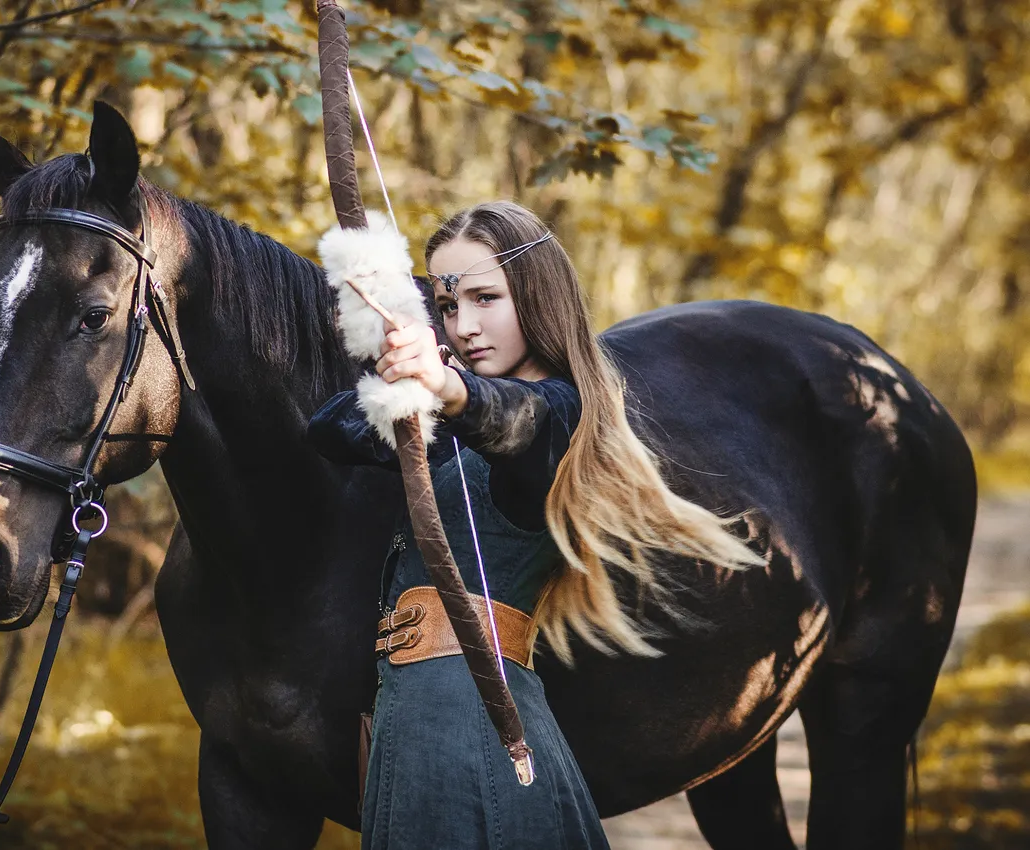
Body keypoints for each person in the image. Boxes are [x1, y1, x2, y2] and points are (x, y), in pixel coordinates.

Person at [307, 201, 758, 849]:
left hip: (472, 724)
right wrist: (407, 371)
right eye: (449, 305)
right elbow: (329, 429)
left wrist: (449, 387)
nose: (466, 326)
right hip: (415, 722)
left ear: (537, 293)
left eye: (487, 298)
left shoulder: (567, 411)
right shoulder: (446, 421)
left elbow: (516, 422)